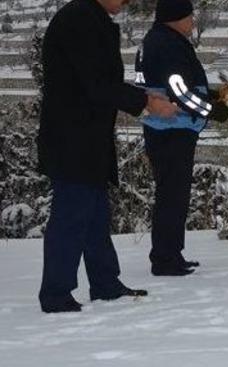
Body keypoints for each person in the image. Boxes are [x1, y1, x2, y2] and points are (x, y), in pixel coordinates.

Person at [37, 0, 179, 314]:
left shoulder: (90, 17)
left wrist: (145, 98)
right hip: (73, 139)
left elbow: (101, 82)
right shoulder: (80, 19)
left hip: (87, 139)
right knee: (72, 215)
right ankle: (56, 293)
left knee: (95, 215)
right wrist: (147, 103)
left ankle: (105, 283)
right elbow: (97, 84)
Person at [135, 0, 228, 276]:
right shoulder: (166, 44)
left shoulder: (162, 40)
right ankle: (165, 259)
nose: (193, 22)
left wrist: (211, 95)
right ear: (174, 17)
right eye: (189, 16)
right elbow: (179, 90)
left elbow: (181, 85)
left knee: (174, 193)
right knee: (172, 194)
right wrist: (213, 109)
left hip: (168, 128)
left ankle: (171, 253)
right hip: (171, 130)